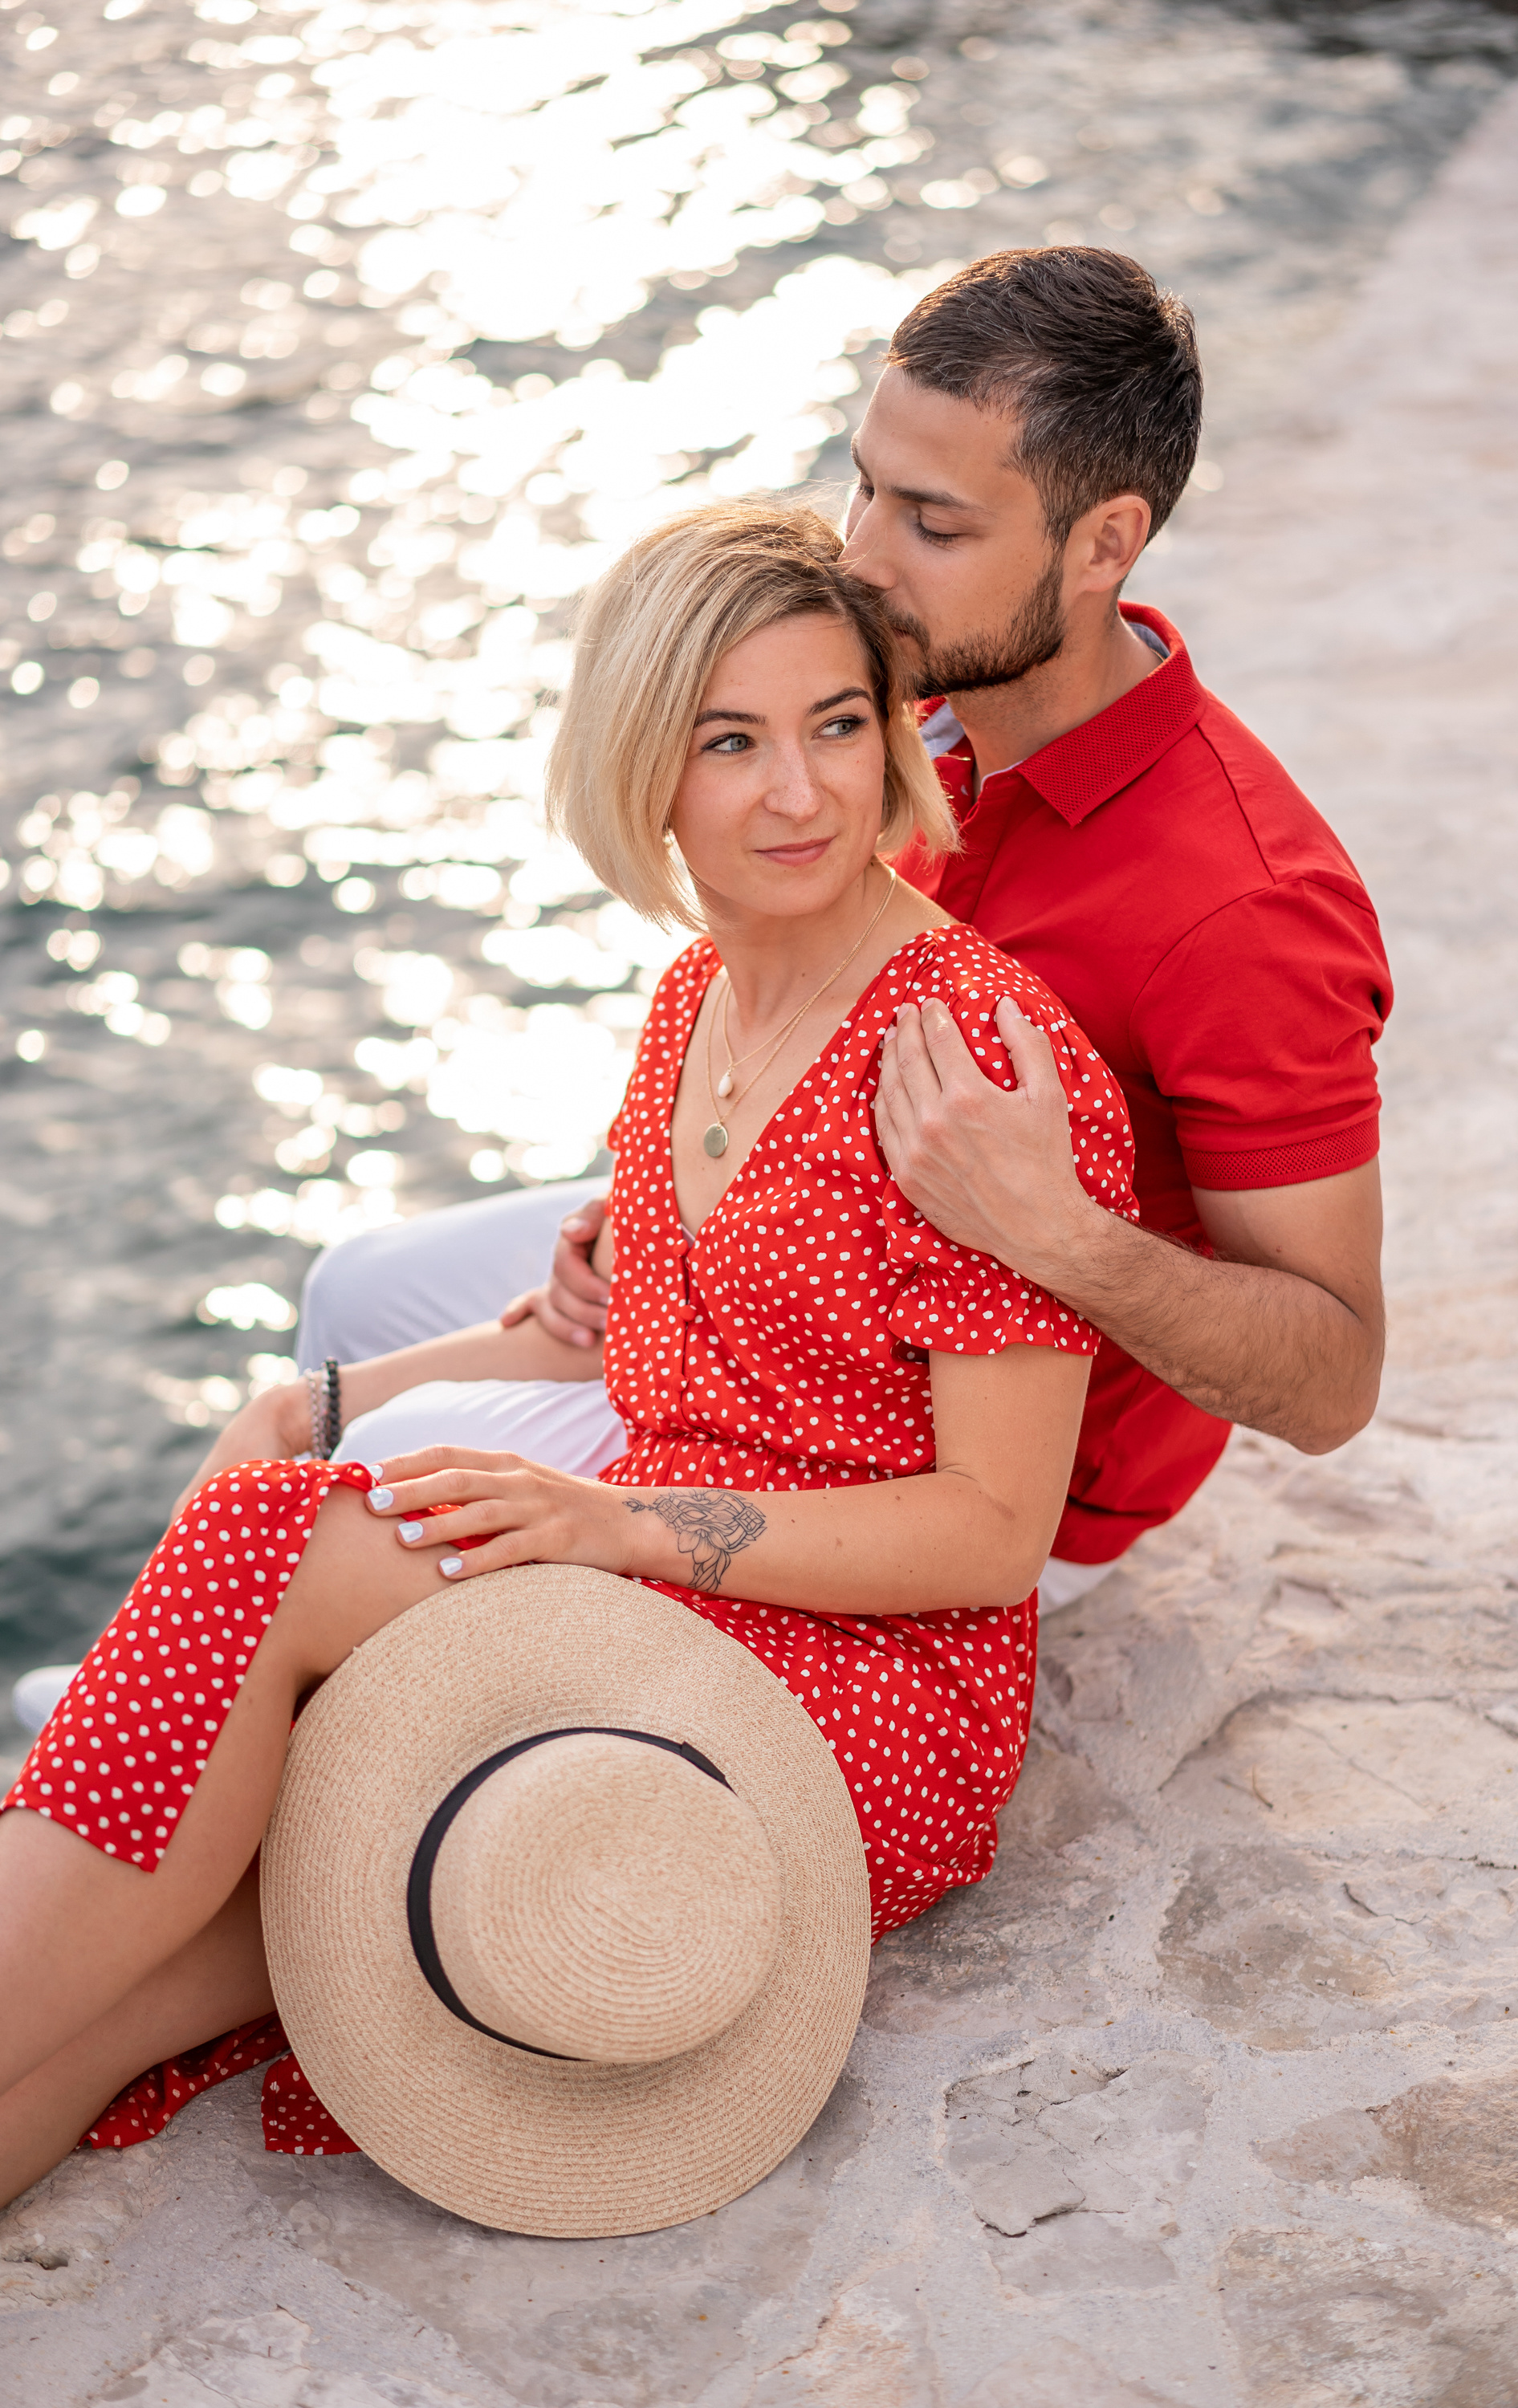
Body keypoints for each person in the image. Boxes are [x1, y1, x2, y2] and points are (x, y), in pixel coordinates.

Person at [0, 503, 1137, 2207]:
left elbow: (987, 1530)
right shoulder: (696, 1003)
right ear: (647, 769)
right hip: (659, 1590)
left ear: (897, 735)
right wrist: (356, 1399)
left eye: (838, 725)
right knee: (142, 1995)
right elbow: (633, 1341)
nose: (801, 792)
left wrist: (629, 1529)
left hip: (865, 1693)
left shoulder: (970, 1055)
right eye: (730, 741)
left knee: (273, 1544)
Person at [287, 245, 1392, 1613]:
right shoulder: (908, 710)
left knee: (375, 1464)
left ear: (1104, 542)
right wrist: (665, 1198)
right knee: (353, 1293)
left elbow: (1336, 1375)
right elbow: (782, 1011)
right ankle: (165, 1717)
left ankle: (179, 1738)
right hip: (781, 1300)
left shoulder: (1245, 904)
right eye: (864, 483)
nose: (860, 560)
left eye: (932, 524)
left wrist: (1064, 1235)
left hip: (956, 1465)